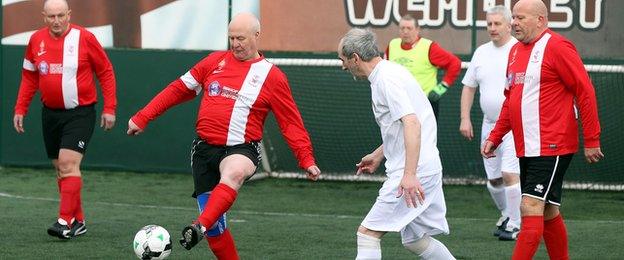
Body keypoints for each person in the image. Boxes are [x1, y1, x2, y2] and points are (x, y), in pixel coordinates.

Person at [127, 12, 321, 259]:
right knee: (217, 230)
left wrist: (307, 159)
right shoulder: (213, 62)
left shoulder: (272, 76)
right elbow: (178, 90)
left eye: (241, 38)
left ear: (257, 36)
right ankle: (207, 226)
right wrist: (143, 116)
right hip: (204, 150)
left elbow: (291, 123)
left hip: (242, 148)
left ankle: (199, 225)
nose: (235, 44)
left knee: (234, 173)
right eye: (231, 38)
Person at [481, 0, 603, 259]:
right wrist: (495, 136)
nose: (514, 22)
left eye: (520, 18)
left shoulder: (557, 46)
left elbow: (585, 91)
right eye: (513, 17)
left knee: (530, 206)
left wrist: (592, 138)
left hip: (552, 144)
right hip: (528, 145)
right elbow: (510, 100)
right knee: (547, 210)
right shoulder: (514, 52)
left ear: (541, 20)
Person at [339, 28, 455, 260]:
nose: (342, 66)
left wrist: (410, 175)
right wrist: (379, 153)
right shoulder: (389, 72)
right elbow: (407, 123)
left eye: (343, 60)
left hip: (415, 171)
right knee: (415, 240)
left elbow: (412, 123)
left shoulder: (386, 79)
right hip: (424, 167)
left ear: (355, 58)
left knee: (367, 234)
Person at [13, 0, 116, 239]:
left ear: (69, 14)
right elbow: (29, 76)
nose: (57, 21)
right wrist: (21, 108)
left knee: (68, 164)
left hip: (80, 112)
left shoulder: (85, 38)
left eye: (61, 15)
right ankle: (78, 220)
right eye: (52, 17)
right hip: (50, 113)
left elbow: (105, 71)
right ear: (44, 17)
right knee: (61, 169)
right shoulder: (35, 40)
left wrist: (109, 107)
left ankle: (64, 221)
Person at [459, 5, 521, 241]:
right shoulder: (481, 52)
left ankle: (516, 225)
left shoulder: (520, 49)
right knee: (494, 179)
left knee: (509, 174)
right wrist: (465, 118)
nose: (492, 28)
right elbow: (469, 87)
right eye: (489, 24)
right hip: (489, 125)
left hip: (516, 126)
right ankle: (507, 214)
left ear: (509, 25)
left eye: (497, 24)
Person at [385, 15, 461, 118]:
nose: (405, 31)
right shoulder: (393, 45)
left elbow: (455, 63)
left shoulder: (428, 47)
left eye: (409, 28)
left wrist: (441, 87)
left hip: (424, 103)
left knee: (423, 134)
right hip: (398, 103)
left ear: (417, 30)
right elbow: (385, 71)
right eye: (402, 28)